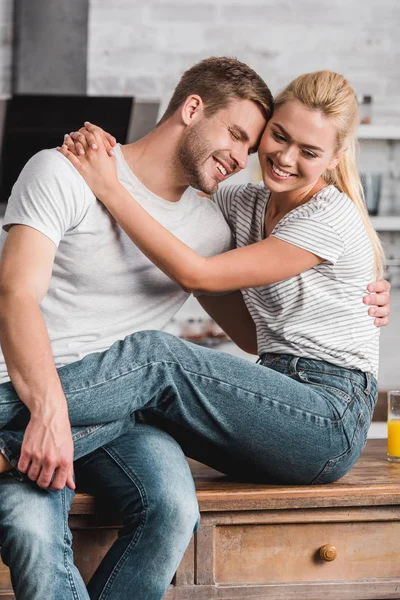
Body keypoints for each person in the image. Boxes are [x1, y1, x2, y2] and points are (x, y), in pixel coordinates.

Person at [0, 59, 389, 600]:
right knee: (87, 515)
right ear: (191, 108)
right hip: (76, 391)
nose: (270, 157)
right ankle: (24, 431)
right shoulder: (230, 204)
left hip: (320, 410)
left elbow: (204, 281)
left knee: (161, 383)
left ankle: (9, 434)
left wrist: (364, 289)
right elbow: (253, 335)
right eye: (263, 138)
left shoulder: (279, 220)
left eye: (307, 151)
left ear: (334, 158)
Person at [0, 57, 273, 600]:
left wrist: (351, 287)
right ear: (192, 109)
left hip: (124, 414)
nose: (241, 159)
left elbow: (253, 334)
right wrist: (51, 412)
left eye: (250, 148)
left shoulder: (209, 226)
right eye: (237, 135)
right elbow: (15, 295)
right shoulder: (64, 169)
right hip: (27, 396)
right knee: (32, 534)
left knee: (173, 510)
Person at [54, 68, 387, 487]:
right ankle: (12, 452)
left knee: (156, 356)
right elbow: (163, 188)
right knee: (135, 402)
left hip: (328, 417)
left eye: (309, 151)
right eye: (280, 137)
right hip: (272, 396)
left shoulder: (328, 216)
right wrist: (110, 154)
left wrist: (109, 187)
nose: (285, 159)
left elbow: (199, 274)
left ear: (334, 159)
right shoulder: (241, 201)